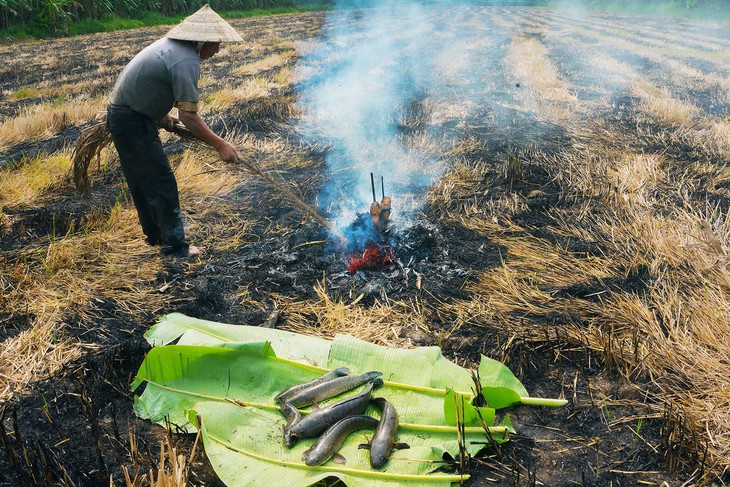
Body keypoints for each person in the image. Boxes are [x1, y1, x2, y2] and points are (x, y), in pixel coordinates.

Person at [106, 4, 241, 257]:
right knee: (161, 183)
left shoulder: (172, 46)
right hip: (132, 122)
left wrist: (159, 114)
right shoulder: (186, 60)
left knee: (142, 181)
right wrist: (220, 145)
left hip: (124, 115)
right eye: (215, 43)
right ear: (201, 41)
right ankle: (176, 249)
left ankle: (157, 237)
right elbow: (189, 116)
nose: (218, 50)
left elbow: (149, 86)